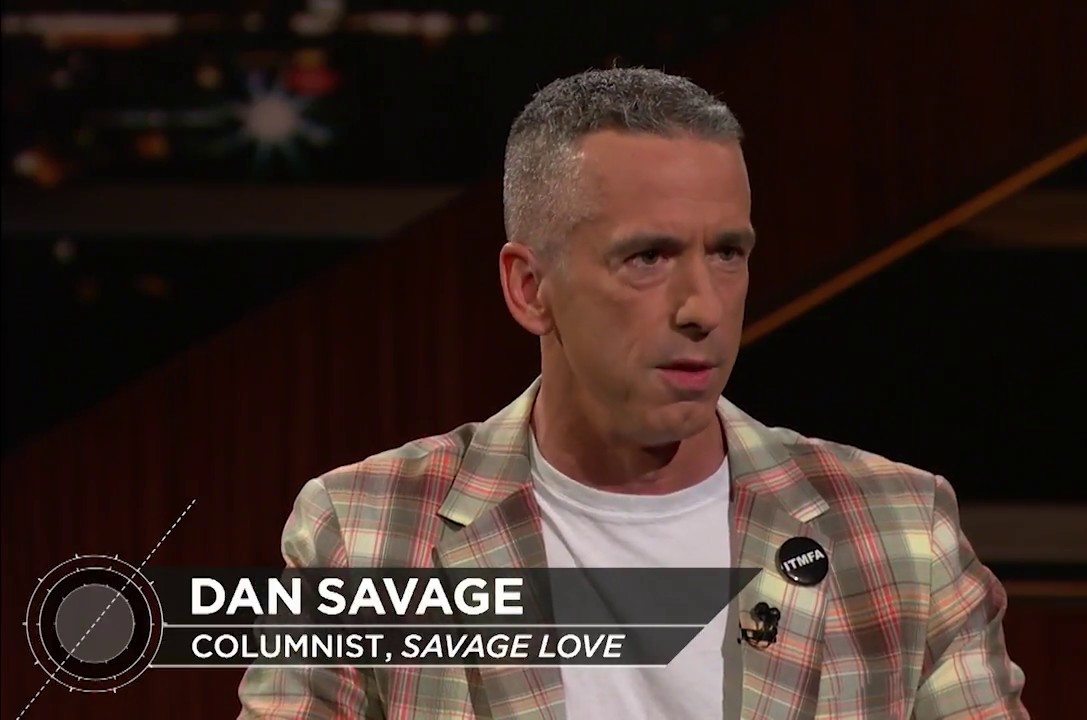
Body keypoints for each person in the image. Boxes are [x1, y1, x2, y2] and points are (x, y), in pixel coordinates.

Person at [237, 67, 1028, 719]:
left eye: (727, 253)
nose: (703, 307)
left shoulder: (900, 533)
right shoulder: (367, 534)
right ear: (529, 287)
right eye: (648, 257)